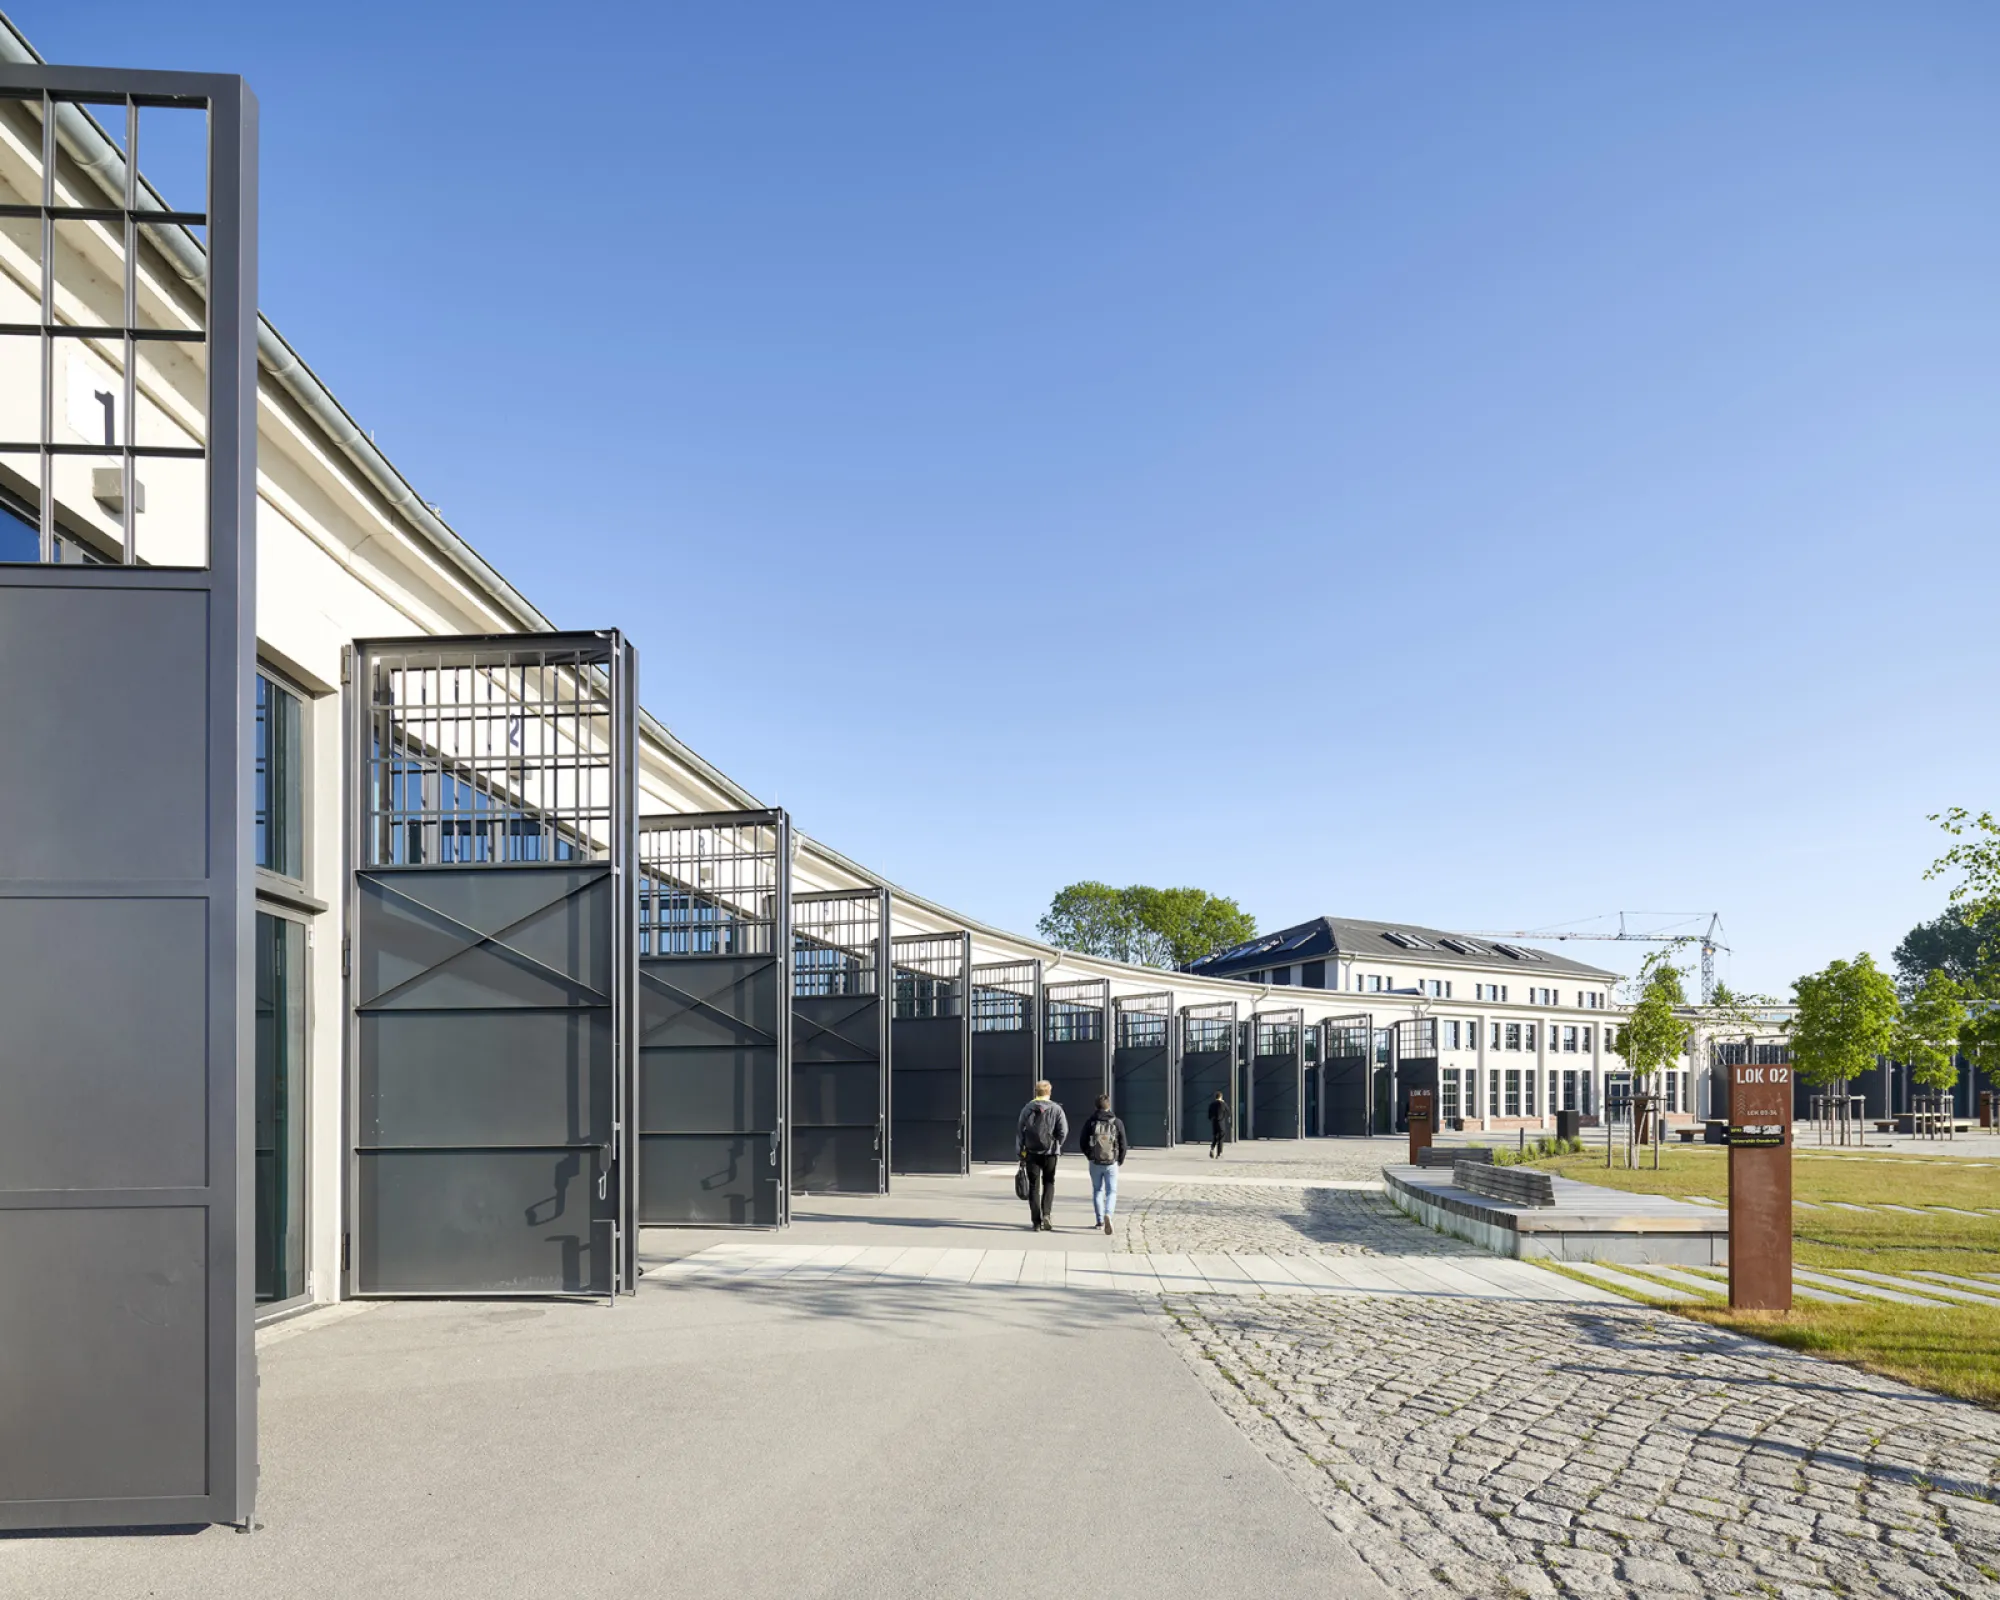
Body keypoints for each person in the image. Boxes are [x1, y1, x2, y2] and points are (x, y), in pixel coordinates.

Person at [1016, 1080, 1068, 1231]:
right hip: (1050, 1152)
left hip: (1031, 1152)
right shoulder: (1056, 1109)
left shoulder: (1027, 1108)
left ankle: (1036, 1222)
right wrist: (1057, 1144)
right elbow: (1064, 1130)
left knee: (1033, 1186)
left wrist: (1020, 1150)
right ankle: (1046, 1214)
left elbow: (1020, 1130)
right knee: (1049, 1182)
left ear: (1036, 1092)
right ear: (1049, 1092)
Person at [1079, 1093, 1128, 1234]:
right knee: (1111, 1191)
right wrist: (1120, 1160)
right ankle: (1109, 1214)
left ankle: (1100, 1221)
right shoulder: (1116, 1122)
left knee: (1097, 1190)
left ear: (1096, 1106)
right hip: (1111, 1161)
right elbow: (1123, 1143)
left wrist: (1089, 1155)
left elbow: (1082, 1141)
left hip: (1095, 1161)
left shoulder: (1091, 1122)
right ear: (1109, 1106)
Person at [1207, 1092, 1230, 1159]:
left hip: (1214, 1122)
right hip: (1221, 1123)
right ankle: (1219, 1153)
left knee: (1215, 1136)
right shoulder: (1222, 1104)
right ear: (1221, 1097)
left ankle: (1212, 1148)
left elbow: (1209, 1116)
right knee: (1221, 1138)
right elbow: (1229, 1112)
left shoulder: (1212, 1104)